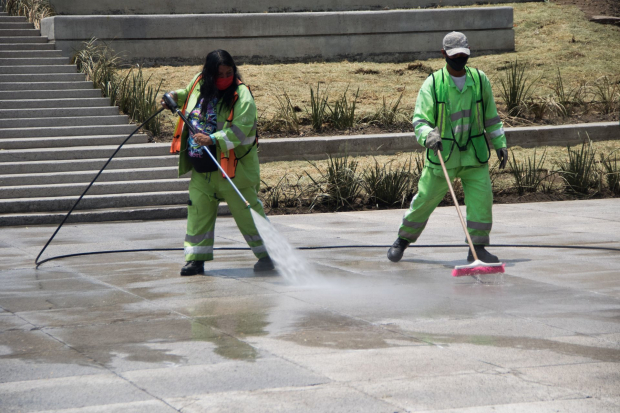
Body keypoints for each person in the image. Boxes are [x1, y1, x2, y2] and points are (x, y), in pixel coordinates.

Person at [387, 32, 508, 264]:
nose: (459, 59)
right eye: (455, 55)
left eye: (463, 54)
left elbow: (492, 117)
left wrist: (500, 143)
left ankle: (478, 248)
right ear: (444, 54)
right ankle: (402, 240)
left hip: (475, 154)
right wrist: (428, 136)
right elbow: (420, 121)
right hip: (443, 155)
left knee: (481, 202)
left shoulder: (480, 80)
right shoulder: (433, 84)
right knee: (425, 200)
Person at [162, 49, 274, 276]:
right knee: (198, 213)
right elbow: (187, 94)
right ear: (208, 74)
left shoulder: (242, 96)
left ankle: (269, 256)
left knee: (248, 215)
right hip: (202, 169)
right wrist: (173, 96)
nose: (224, 79)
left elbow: (241, 131)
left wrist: (212, 139)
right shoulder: (199, 82)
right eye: (219, 74)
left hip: (233, 171)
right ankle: (196, 259)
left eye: (228, 73)